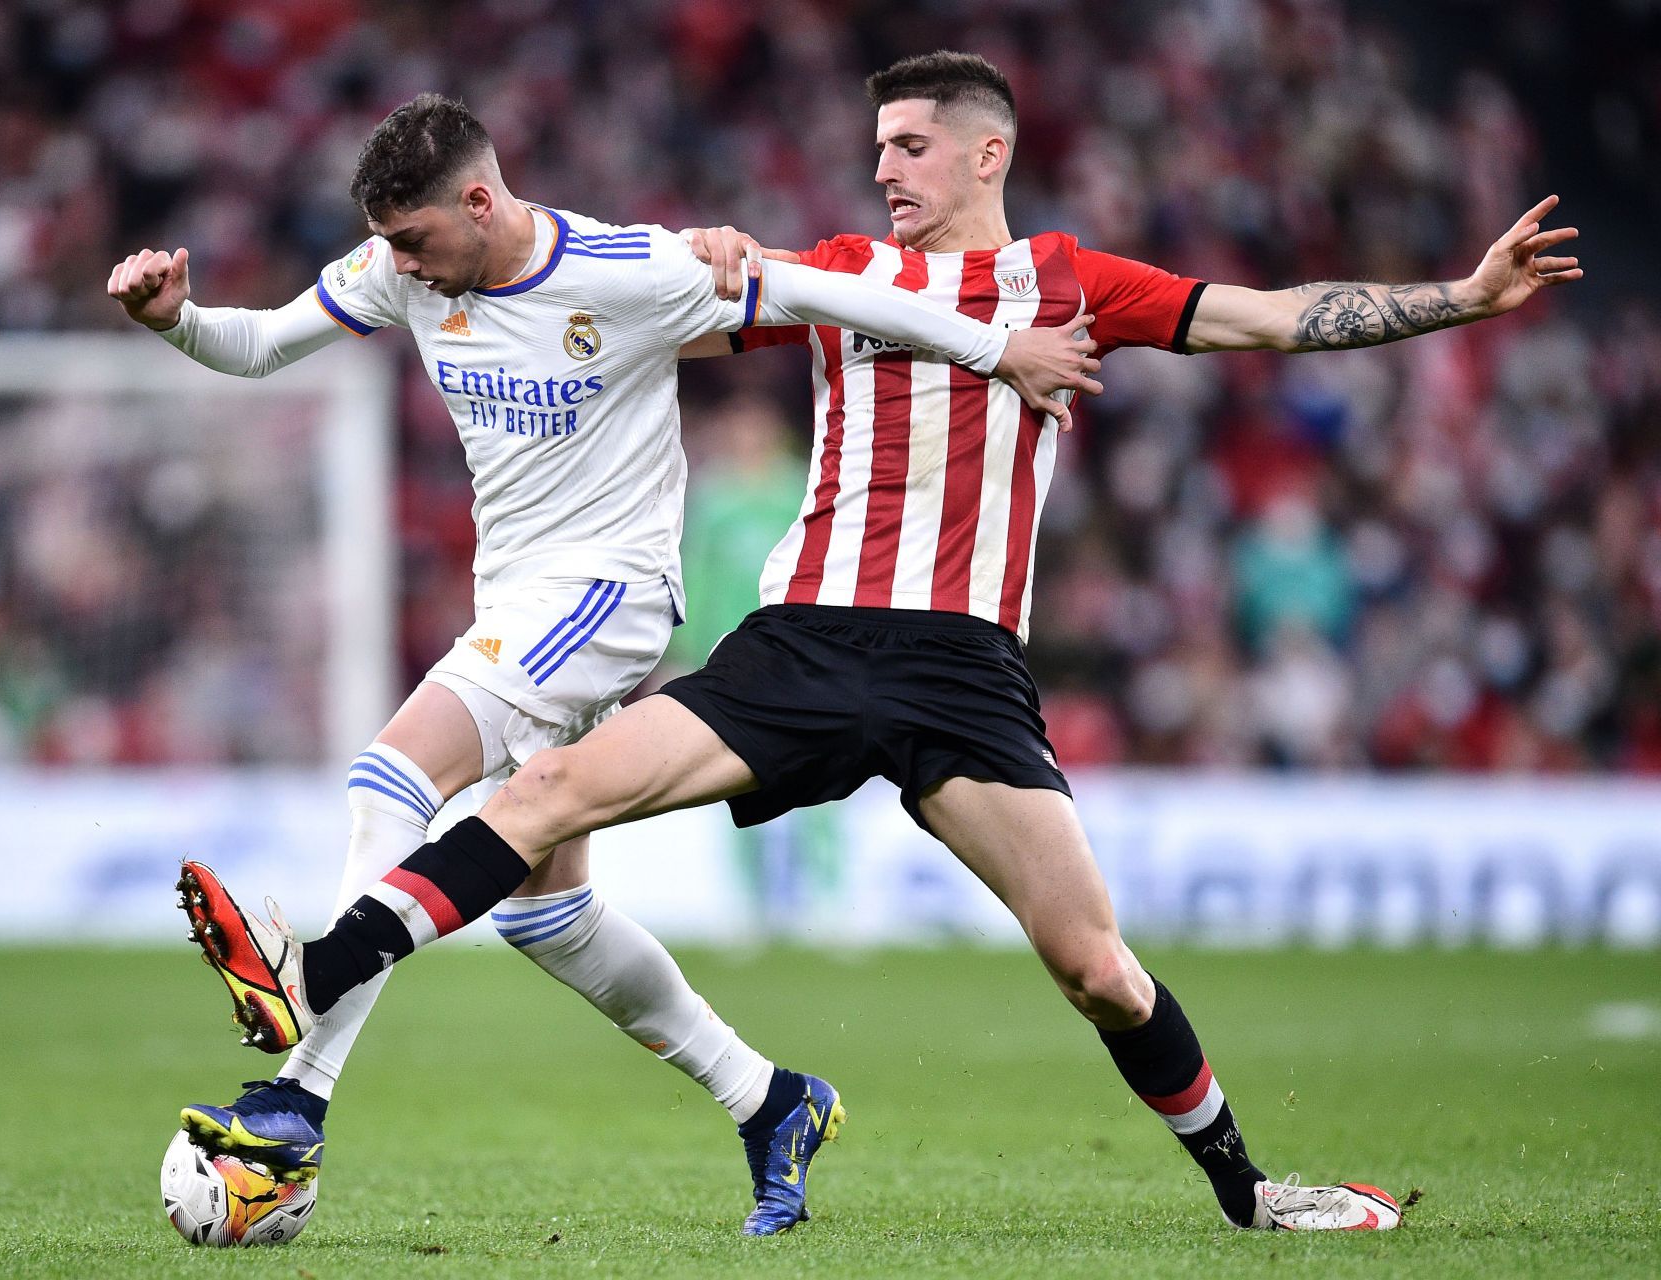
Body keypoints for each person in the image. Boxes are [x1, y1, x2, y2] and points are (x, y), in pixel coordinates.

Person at [179, 52, 1580, 1232]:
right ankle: (314, 988)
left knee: (1095, 966)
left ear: (989, 155)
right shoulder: (840, 274)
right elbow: (614, 315)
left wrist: (1459, 297)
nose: (885, 173)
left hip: (965, 672)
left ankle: (1249, 1192)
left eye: (910, 148)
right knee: (544, 796)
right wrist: (703, 259)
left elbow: (1268, 318)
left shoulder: (1071, 284)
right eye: (875, 150)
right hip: (801, 646)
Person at [121, 90, 1096, 1235]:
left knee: (392, 775)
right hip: (518, 597)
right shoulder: (399, 269)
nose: (403, 266)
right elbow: (260, 341)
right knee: (547, 916)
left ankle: (297, 1095)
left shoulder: (626, 270)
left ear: (480, 201)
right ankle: (769, 1096)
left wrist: (1001, 348)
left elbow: (818, 290)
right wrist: (176, 319)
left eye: (419, 240)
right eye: (389, 244)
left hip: (611, 593)